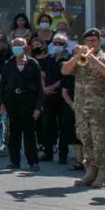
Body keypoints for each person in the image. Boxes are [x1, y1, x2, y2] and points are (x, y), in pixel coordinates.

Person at [69, 29, 105, 186]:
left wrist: (94, 60)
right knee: (86, 139)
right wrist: (77, 57)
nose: (90, 43)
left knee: (100, 140)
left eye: (93, 40)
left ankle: (103, 173)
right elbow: (64, 70)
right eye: (88, 41)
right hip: (81, 106)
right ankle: (90, 170)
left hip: (100, 107)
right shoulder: (79, 58)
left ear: (99, 41)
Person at [2, 37, 42, 169]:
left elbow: (39, 87)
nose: (17, 47)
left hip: (28, 101)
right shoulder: (8, 63)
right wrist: (3, 104)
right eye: (15, 45)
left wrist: (38, 107)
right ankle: (14, 161)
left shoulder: (33, 64)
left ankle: (33, 161)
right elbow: (3, 85)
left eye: (20, 45)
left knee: (29, 133)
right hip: (13, 101)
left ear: (26, 47)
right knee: (14, 133)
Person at [38, 34, 75, 167]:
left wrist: (52, 86)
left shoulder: (69, 59)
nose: (57, 45)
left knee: (64, 126)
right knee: (47, 124)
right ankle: (48, 152)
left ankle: (63, 155)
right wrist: (44, 88)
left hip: (63, 96)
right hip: (49, 97)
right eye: (55, 42)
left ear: (66, 45)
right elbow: (42, 75)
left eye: (60, 43)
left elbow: (65, 78)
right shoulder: (49, 59)